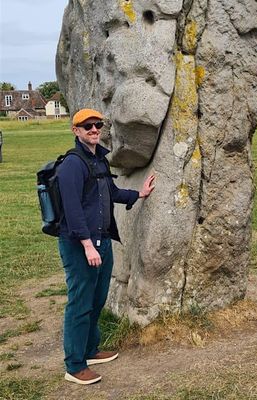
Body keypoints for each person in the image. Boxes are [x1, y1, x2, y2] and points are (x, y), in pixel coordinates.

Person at [57, 108, 155, 385]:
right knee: (80, 303)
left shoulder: (98, 160)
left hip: (101, 241)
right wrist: (87, 245)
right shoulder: (72, 164)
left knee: (97, 298)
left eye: (97, 125)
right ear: (75, 130)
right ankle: (74, 365)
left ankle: (90, 350)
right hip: (80, 245)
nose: (93, 129)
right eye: (87, 125)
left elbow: (111, 193)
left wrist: (139, 193)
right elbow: (72, 209)